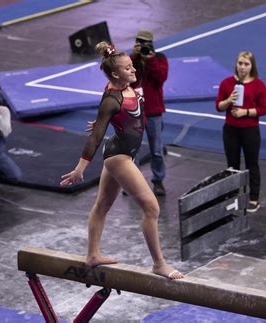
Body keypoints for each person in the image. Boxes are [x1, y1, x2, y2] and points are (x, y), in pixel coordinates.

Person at [60, 42, 183, 280]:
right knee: (152, 208)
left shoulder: (124, 84)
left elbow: (115, 116)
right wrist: (80, 168)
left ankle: (93, 254)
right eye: (128, 68)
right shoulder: (111, 98)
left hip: (120, 151)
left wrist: (103, 121)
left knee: (103, 205)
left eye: (132, 66)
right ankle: (159, 264)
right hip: (119, 157)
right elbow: (95, 138)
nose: (134, 70)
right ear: (116, 74)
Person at [216, 51, 266, 213]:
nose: (243, 67)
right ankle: (233, 196)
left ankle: (253, 198)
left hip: (250, 131)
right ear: (236, 64)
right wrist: (228, 101)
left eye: (246, 64)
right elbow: (219, 106)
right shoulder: (227, 83)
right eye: (240, 63)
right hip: (231, 130)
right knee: (232, 166)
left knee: (252, 164)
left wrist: (244, 112)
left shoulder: (259, 85)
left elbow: (264, 108)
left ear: (252, 66)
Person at [129, 29, 168, 196]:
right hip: (135, 111)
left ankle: (158, 181)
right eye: (140, 42)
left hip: (153, 111)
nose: (144, 46)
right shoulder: (131, 60)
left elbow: (161, 79)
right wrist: (135, 58)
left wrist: (150, 60)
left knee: (157, 150)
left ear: (152, 44)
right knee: (133, 151)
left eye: (146, 43)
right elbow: (127, 79)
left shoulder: (160, 59)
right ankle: (133, 183)